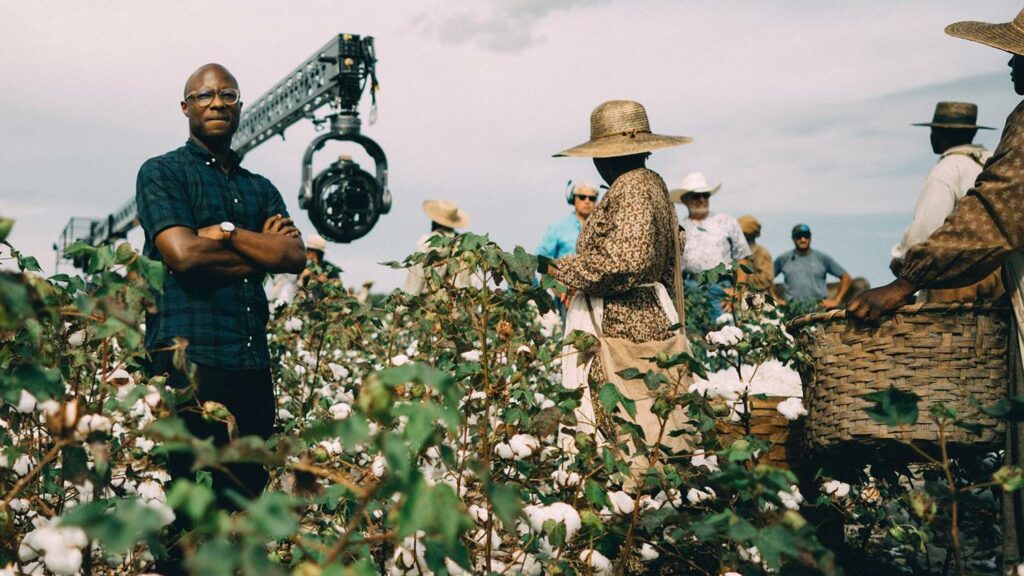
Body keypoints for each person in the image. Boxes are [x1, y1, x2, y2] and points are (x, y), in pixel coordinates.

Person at [848, 9, 1024, 564]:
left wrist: (904, 283)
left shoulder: (954, 166)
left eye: (1019, 55)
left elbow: (993, 216)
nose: (1011, 66)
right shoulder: (979, 157)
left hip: (956, 274)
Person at [136, 63, 305, 572]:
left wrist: (225, 234)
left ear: (239, 105)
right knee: (187, 512)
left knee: (243, 510)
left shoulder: (261, 188)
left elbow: (294, 257)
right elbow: (183, 255)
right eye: (203, 95)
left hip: (251, 366)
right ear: (185, 107)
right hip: (188, 365)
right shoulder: (162, 172)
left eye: (227, 94)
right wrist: (261, 249)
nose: (216, 102)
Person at [548, 99, 691, 439]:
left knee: (623, 414)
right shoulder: (652, 186)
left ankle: (628, 488)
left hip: (624, 319)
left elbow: (625, 263)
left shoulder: (633, 188)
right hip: (647, 312)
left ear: (606, 155)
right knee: (651, 409)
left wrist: (560, 268)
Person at [891, 101, 1003, 303]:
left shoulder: (947, 169)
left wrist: (903, 263)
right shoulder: (994, 161)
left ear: (941, 134)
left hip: (959, 277)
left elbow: (926, 227)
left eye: (934, 131)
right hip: (1002, 273)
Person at [672, 172, 751, 320]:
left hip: (721, 289)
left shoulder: (726, 221)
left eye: (705, 195)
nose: (702, 199)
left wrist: (737, 292)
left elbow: (742, 257)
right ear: (684, 200)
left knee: (726, 338)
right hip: (689, 291)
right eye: (696, 196)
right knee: (692, 340)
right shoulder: (678, 228)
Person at [537, 180, 599, 319]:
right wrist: (556, 286)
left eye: (592, 198)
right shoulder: (558, 229)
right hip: (567, 296)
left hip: (596, 294)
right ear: (573, 199)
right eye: (582, 197)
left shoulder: (602, 229)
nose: (587, 201)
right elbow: (541, 260)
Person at [774, 224, 850, 311]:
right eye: (799, 236)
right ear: (793, 238)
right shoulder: (784, 259)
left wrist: (836, 300)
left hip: (818, 311)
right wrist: (774, 299)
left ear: (810, 237)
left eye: (806, 236)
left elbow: (846, 277)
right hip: (791, 311)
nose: (803, 239)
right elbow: (764, 279)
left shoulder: (821, 258)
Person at [402, 199, 472, 294]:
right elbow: (471, 281)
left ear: (434, 221)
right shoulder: (464, 244)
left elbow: (415, 281)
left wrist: (404, 306)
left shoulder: (426, 242)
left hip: (428, 303)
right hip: (457, 303)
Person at [737, 215, 774, 294]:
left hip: (757, 298)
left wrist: (742, 278)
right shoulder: (737, 253)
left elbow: (766, 280)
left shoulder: (761, 253)